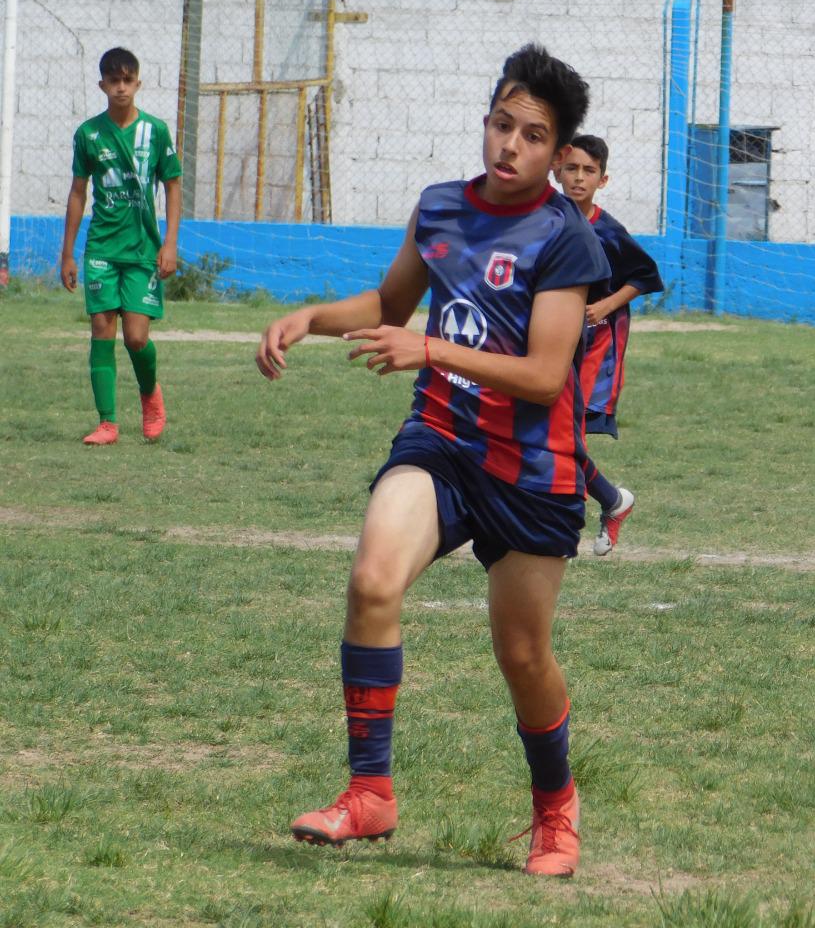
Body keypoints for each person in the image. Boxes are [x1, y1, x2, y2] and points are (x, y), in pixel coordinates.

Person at [256, 44, 609, 878]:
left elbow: (546, 375)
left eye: (531, 135)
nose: (509, 146)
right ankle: (369, 792)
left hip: (532, 468)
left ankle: (556, 808)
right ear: (485, 120)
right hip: (442, 443)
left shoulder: (564, 238)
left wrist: (433, 350)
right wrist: (313, 317)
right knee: (373, 579)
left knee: (522, 656)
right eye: (501, 125)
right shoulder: (442, 207)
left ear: (558, 152)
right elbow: (389, 303)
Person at [61, 47, 181, 445]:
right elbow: (78, 193)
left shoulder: (156, 131)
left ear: (138, 84)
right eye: (113, 81)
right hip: (101, 248)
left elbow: (173, 184)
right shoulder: (88, 134)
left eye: (127, 80)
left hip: (144, 249)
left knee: (136, 337)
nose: (121, 88)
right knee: (100, 327)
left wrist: (170, 243)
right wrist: (67, 252)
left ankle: (150, 395)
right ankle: (108, 423)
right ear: (102, 85)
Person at [554, 135, 664, 555]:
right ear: (557, 171)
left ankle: (566, 523)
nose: (579, 177)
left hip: (596, 341)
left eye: (589, 171)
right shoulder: (547, 218)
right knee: (548, 428)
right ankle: (612, 501)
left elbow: (645, 275)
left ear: (603, 179)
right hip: (552, 336)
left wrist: (605, 306)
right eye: (572, 169)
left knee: (566, 429)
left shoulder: (607, 229)